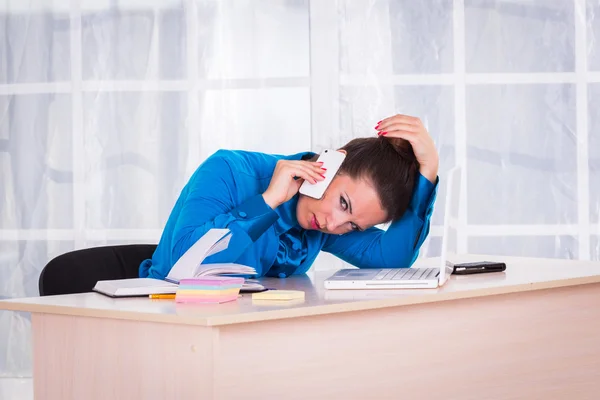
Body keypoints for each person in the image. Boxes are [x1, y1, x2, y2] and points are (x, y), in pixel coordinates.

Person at [39, 114, 438, 295]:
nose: (335, 225)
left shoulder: (318, 221)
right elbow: (184, 264)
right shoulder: (230, 170)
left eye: (353, 226)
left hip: (233, 333)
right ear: (328, 164)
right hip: (163, 323)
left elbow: (392, 258)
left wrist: (428, 172)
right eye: (344, 203)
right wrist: (266, 203)